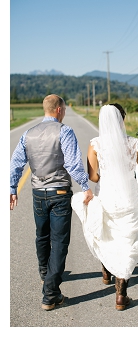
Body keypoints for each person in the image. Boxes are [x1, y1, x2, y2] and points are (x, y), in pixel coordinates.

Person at [9, 94, 94, 311]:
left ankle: (45, 275)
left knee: (42, 235)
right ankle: (50, 294)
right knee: (59, 242)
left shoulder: (28, 134)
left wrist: (13, 189)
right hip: (59, 192)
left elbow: (16, 163)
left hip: (38, 192)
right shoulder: (64, 131)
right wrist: (86, 187)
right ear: (58, 110)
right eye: (63, 109)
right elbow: (74, 164)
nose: (64, 113)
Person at [71, 103, 138, 311]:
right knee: (127, 241)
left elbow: (93, 176)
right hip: (129, 199)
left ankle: (106, 270)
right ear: (122, 120)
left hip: (108, 196)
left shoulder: (95, 144)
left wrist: (107, 174)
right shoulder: (135, 144)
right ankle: (121, 295)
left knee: (108, 234)